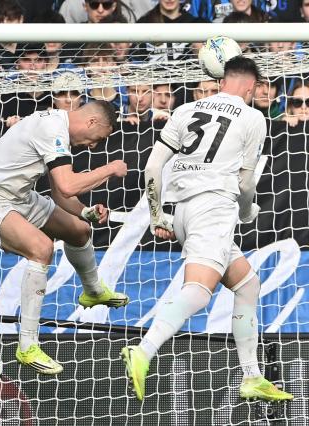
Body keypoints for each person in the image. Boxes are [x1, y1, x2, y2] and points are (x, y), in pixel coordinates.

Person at [120, 56, 294, 402]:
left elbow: (153, 167)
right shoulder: (253, 117)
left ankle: (252, 376)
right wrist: (247, 212)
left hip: (183, 210)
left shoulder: (186, 109)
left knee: (247, 284)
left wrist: (157, 216)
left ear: (222, 79)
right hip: (214, 208)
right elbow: (245, 185)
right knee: (199, 291)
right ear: (251, 86)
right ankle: (143, 350)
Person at [0, 101, 129, 375]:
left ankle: (93, 291)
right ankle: (27, 345)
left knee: (79, 230)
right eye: (99, 138)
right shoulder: (52, 128)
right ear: (91, 122)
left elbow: (60, 193)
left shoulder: (56, 128)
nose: (94, 146)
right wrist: (110, 169)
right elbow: (67, 184)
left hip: (20, 199)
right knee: (42, 248)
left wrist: (85, 212)